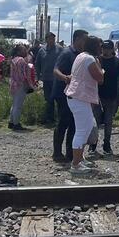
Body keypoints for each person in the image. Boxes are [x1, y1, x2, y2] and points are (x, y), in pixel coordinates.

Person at [65, 35, 105, 175]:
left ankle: (79, 159)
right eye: (100, 46)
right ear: (94, 46)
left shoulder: (81, 55)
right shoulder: (89, 59)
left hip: (77, 96)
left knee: (85, 128)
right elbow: (100, 78)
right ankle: (75, 165)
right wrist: (100, 65)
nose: (101, 48)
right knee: (82, 130)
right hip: (79, 97)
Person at [51, 30, 88, 162]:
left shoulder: (82, 55)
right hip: (62, 94)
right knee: (62, 123)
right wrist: (66, 78)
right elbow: (55, 70)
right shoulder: (67, 53)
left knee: (74, 124)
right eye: (84, 39)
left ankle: (70, 153)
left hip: (75, 95)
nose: (86, 42)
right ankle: (56, 153)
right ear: (77, 39)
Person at [96, 40, 119, 154]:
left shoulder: (118, 62)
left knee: (109, 121)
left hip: (112, 95)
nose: (106, 50)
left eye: (108, 48)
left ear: (112, 49)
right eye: (104, 47)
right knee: (95, 120)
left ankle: (106, 144)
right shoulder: (97, 60)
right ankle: (93, 143)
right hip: (97, 95)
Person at [34, 32, 62, 125]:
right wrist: (37, 76)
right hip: (46, 79)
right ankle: (50, 118)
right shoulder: (42, 50)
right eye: (50, 38)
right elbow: (37, 64)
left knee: (59, 99)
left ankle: (60, 118)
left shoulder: (60, 49)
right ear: (46, 39)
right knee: (48, 99)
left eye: (53, 39)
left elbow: (64, 62)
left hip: (57, 79)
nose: (52, 40)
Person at [8, 43, 36, 130]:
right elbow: (22, 75)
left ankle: (11, 122)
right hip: (20, 85)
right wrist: (27, 84)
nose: (26, 51)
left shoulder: (14, 59)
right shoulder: (21, 60)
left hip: (13, 84)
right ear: (19, 51)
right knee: (18, 106)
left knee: (14, 104)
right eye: (24, 49)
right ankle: (16, 124)